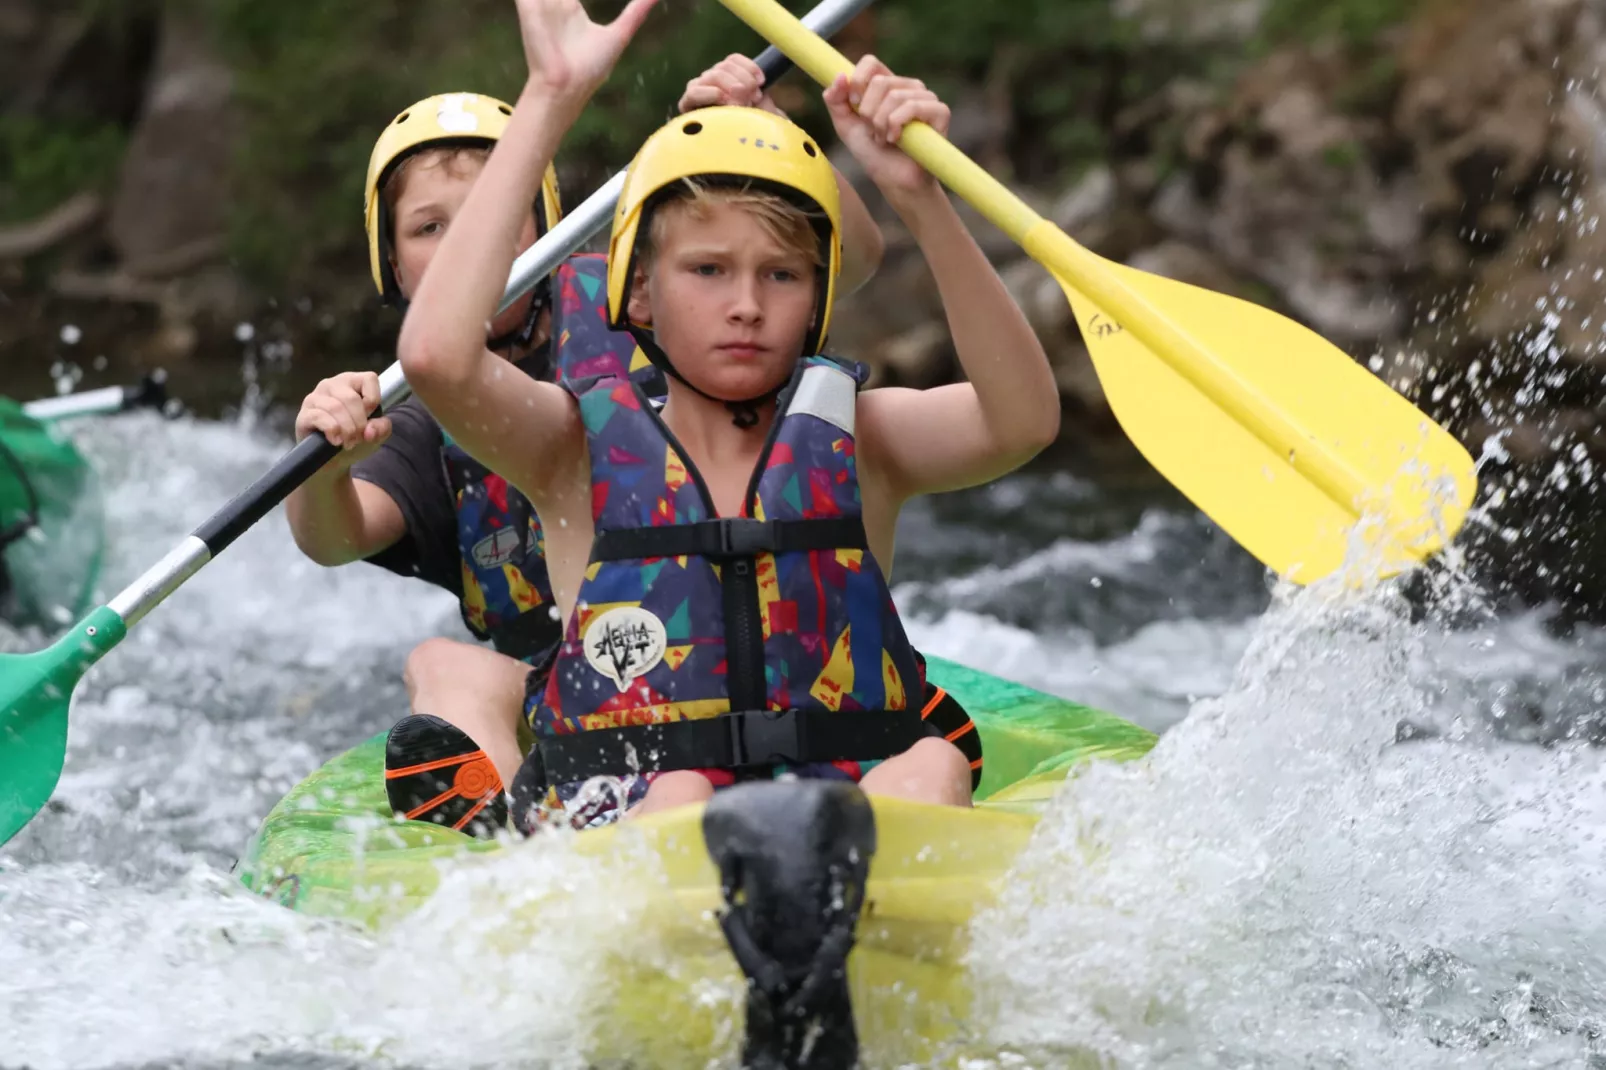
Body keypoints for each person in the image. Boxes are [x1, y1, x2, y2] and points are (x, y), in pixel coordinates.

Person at [397, 0, 1056, 832]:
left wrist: (920, 198)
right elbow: (436, 360)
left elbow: (1023, 419)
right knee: (680, 796)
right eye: (707, 270)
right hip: (647, 826)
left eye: (781, 276)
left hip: (839, 835)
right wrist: (550, 99)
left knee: (929, 762)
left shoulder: (864, 441)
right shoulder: (570, 449)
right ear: (638, 291)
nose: (746, 305)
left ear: (816, 298)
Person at [282, 62, 895, 836]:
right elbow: (333, 537)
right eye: (431, 228)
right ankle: (503, 831)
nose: (471, 241)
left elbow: (851, 265)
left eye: (490, 215)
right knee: (445, 665)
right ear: (393, 265)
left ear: (539, 222)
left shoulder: (643, 309)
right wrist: (326, 466)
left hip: (731, 647)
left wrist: (767, 139)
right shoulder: (416, 415)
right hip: (568, 687)